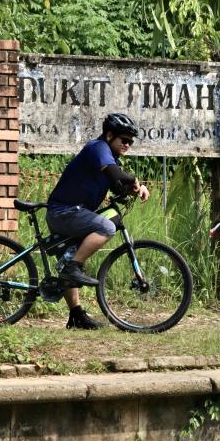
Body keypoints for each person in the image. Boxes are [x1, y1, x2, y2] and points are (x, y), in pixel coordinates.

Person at [46, 113, 150, 330]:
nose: (128, 145)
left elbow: (116, 183)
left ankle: (76, 315)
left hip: (72, 213)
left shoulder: (109, 159)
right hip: (64, 212)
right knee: (106, 226)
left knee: (70, 256)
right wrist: (133, 180)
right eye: (124, 140)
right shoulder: (98, 148)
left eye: (131, 142)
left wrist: (134, 190)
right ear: (110, 135)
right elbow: (115, 173)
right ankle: (73, 267)